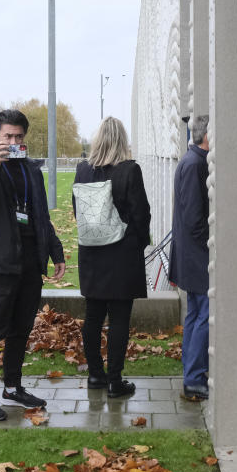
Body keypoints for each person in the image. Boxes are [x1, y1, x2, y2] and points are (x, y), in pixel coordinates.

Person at [0, 109, 65, 421]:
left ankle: (12, 387)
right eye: (8, 136)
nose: (13, 141)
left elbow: (40, 215)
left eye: (19, 137)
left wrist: (55, 251)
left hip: (29, 258)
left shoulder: (31, 170)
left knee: (22, 327)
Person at [73, 117, 152, 398]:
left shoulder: (83, 171)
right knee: (119, 318)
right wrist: (140, 241)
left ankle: (96, 374)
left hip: (92, 254)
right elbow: (141, 214)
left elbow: (77, 211)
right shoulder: (130, 170)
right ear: (122, 140)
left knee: (93, 317)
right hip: (122, 254)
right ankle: (115, 381)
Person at [168, 115, 211, 402]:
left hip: (189, 255)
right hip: (198, 257)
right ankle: (194, 379)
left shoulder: (189, 160)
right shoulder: (196, 164)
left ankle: (192, 374)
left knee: (196, 315)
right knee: (202, 317)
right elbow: (196, 219)